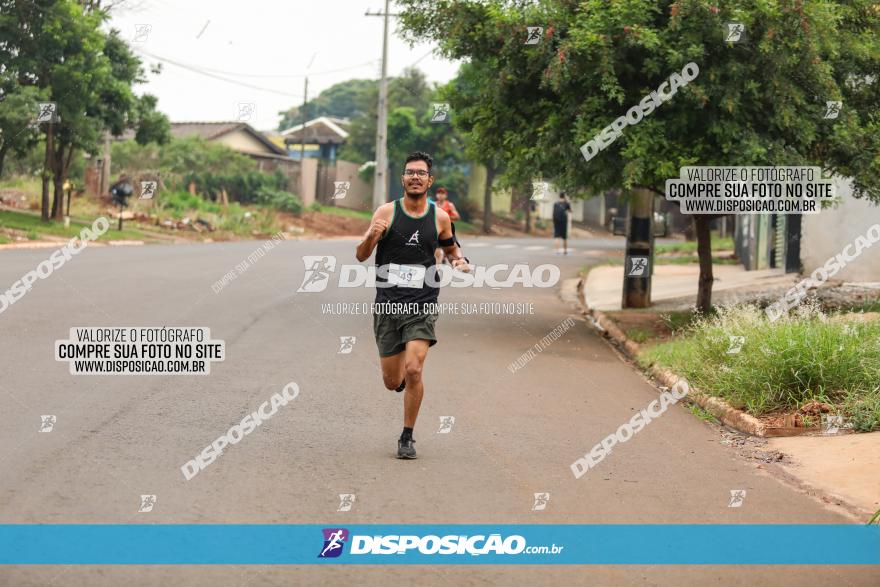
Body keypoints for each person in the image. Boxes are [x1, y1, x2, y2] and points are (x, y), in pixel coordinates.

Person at [355, 152, 470, 459]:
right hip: (388, 305)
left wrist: (459, 261)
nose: (415, 177)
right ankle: (401, 378)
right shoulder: (386, 212)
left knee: (415, 368)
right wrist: (372, 236)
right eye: (410, 173)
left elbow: (450, 248)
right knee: (392, 380)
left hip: (423, 302)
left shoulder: (440, 217)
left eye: (421, 173)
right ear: (403, 179)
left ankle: (407, 436)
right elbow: (361, 255)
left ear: (429, 181)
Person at [432, 187, 461, 265]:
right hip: (437, 229)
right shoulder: (434, 205)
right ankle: (439, 260)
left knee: (451, 248)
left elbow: (457, 216)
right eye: (439, 193)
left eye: (442, 193)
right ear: (436, 195)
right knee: (436, 249)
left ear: (445, 195)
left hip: (448, 229)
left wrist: (446, 217)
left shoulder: (449, 205)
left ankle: (455, 261)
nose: (440, 195)